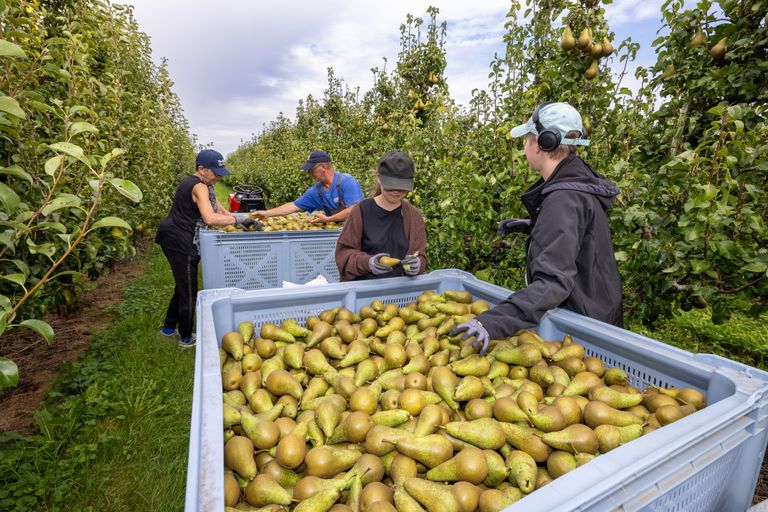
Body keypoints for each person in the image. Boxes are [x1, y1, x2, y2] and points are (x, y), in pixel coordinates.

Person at [451, 102, 623, 354]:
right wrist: (537, 226)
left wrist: (490, 323)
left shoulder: (563, 200)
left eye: (526, 139)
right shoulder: (575, 187)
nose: (524, 147)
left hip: (584, 324)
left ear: (541, 143)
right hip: (596, 309)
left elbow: (553, 283)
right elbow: (579, 237)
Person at [155, 149, 260, 348]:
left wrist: (240, 220)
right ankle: (186, 338)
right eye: (216, 172)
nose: (220, 176)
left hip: (179, 237)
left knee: (182, 285)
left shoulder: (207, 185)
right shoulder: (198, 187)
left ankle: (168, 329)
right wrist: (238, 222)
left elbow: (221, 212)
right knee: (189, 290)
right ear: (201, 169)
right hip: (179, 240)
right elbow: (210, 218)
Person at [335, 150, 427, 281]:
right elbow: (343, 255)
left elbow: (420, 254)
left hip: (400, 293)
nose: (396, 191)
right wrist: (368, 263)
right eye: (391, 186)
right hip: (364, 292)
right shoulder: (361, 211)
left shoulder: (413, 216)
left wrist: (418, 264)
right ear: (378, 178)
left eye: (402, 187)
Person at [251, 150, 364, 224]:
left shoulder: (346, 181)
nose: (310, 174)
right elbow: (292, 206)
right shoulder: (316, 191)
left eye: (311, 170)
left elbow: (354, 210)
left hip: (357, 234)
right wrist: (266, 213)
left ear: (323, 166)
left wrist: (329, 219)